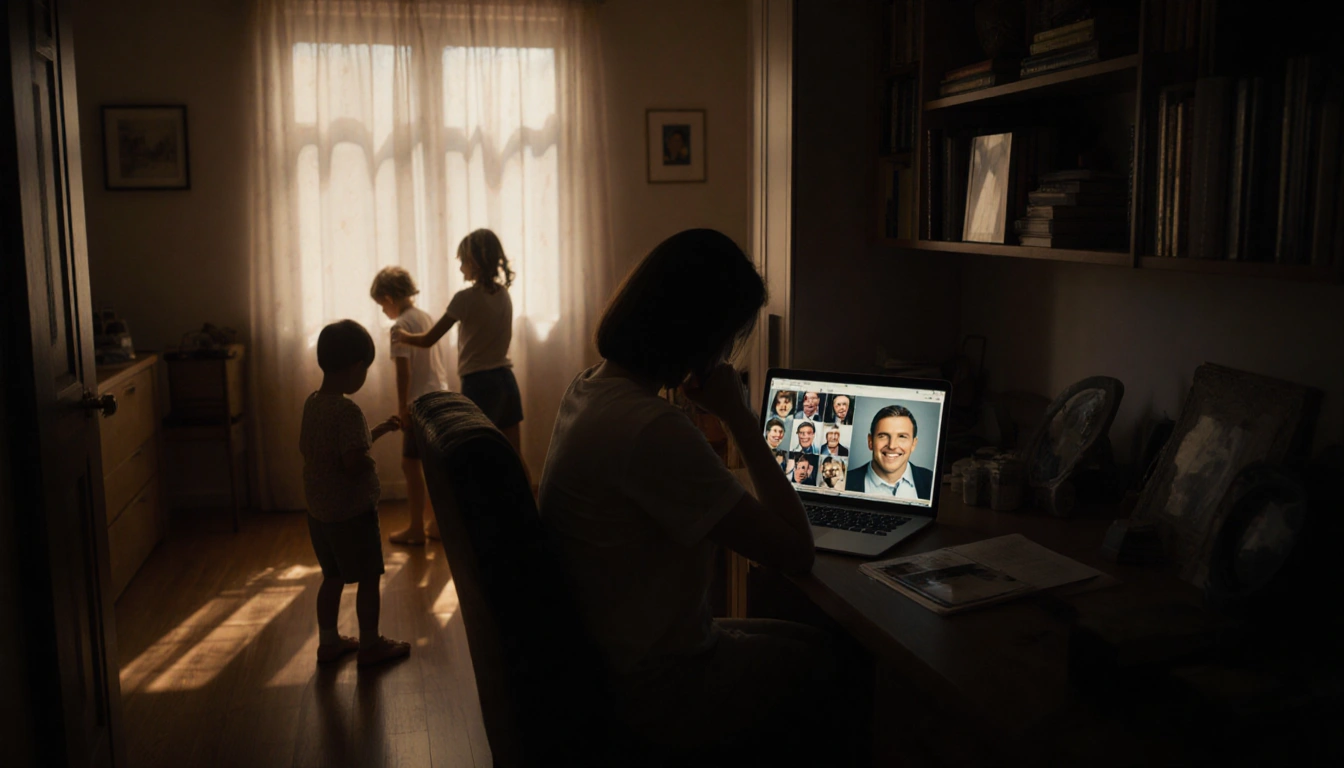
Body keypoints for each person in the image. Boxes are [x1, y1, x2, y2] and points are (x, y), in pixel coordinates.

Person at [538, 228, 839, 761]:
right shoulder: (649, 428)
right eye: (727, 338)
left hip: (608, 654)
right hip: (656, 685)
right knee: (836, 668)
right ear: (701, 337)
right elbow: (796, 550)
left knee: (814, 644)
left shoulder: (588, 388)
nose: (727, 353)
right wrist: (739, 416)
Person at [300, 320, 411, 667]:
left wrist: (374, 432)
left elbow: (324, 447)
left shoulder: (314, 403)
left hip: (320, 512)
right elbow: (351, 460)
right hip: (351, 513)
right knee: (367, 577)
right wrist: (370, 465)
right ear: (356, 368)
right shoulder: (348, 410)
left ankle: (329, 642)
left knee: (331, 577)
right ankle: (369, 644)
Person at [391, 229, 527, 470]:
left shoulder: (464, 298)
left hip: (480, 383)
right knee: (514, 456)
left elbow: (427, 340)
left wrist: (403, 336)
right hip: (506, 380)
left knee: (479, 457)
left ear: (474, 261)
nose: (461, 267)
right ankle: (526, 506)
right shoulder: (504, 294)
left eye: (462, 261)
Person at [370, 266, 449, 545]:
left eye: (382, 305)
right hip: (440, 395)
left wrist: (402, 407)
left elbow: (403, 371)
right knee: (433, 465)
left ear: (389, 298)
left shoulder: (399, 326)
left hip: (419, 401)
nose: (383, 312)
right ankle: (438, 524)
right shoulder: (425, 317)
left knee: (410, 464)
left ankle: (416, 528)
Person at [845, 404, 933, 500]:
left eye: (902, 436)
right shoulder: (844, 482)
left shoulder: (931, 481)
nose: (892, 446)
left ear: (913, 444)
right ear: (870, 441)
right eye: (883, 436)